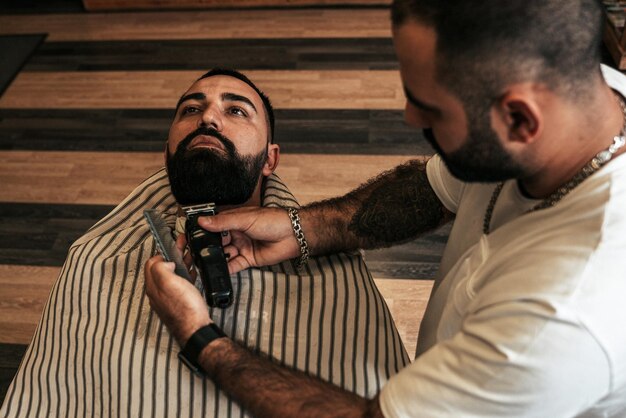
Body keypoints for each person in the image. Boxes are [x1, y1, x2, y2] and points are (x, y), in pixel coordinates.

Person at [144, 0, 626, 417]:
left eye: (429, 109)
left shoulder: (566, 313)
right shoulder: (577, 91)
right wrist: (300, 227)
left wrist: (201, 338)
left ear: (520, 120)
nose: (408, 117)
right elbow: (432, 189)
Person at [0, 69, 409, 418]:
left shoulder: (333, 272)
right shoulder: (95, 259)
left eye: (235, 110)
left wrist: (197, 334)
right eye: (191, 109)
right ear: (167, 154)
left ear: (270, 159)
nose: (208, 118)